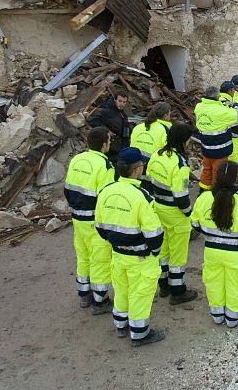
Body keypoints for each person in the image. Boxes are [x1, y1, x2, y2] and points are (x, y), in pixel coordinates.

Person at [95, 147, 165, 347]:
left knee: (122, 290)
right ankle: (140, 333)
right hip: (140, 257)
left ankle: (121, 324)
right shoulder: (142, 197)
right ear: (137, 170)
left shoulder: (106, 192)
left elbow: (99, 226)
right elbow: (154, 234)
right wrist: (154, 251)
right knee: (140, 294)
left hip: (118, 254)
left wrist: (116, 242)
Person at [190, 161, 238, 327]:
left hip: (212, 251)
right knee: (236, 284)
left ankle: (217, 315)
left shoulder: (204, 198)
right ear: (236, 179)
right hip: (237, 255)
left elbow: (195, 225)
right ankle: (233, 318)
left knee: (214, 282)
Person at [63, 126, 115, 313]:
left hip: (78, 217)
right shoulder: (105, 166)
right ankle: (100, 301)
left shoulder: (77, 159)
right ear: (103, 144)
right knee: (99, 259)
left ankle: (83, 294)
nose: (110, 143)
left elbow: (68, 188)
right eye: (109, 140)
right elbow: (106, 199)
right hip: (94, 220)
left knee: (83, 256)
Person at [146, 122, 199, 305]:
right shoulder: (180, 164)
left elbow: (149, 178)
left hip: (159, 208)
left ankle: (164, 286)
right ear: (183, 141)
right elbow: (181, 196)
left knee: (164, 250)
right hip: (175, 214)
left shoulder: (157, 154)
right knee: (177, 256)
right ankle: (178, 291)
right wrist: (189, 214)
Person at [194, 85, 238, 192]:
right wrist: (236, 105)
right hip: (220, 151)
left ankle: (203, 191)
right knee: (218, 173)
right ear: (218, 96)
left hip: (206, 149)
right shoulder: (221, 111)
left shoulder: (199, 107)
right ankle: (216, 193)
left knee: (207, 171)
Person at [88, 91, 130, 162]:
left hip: (120, 146)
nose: (122, 104)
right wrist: (107, 131)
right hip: (110, 147)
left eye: (124, 102)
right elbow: (93, 121)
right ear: (115, 100)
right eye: (120, 101)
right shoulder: (107, 111)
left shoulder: (122, 113)